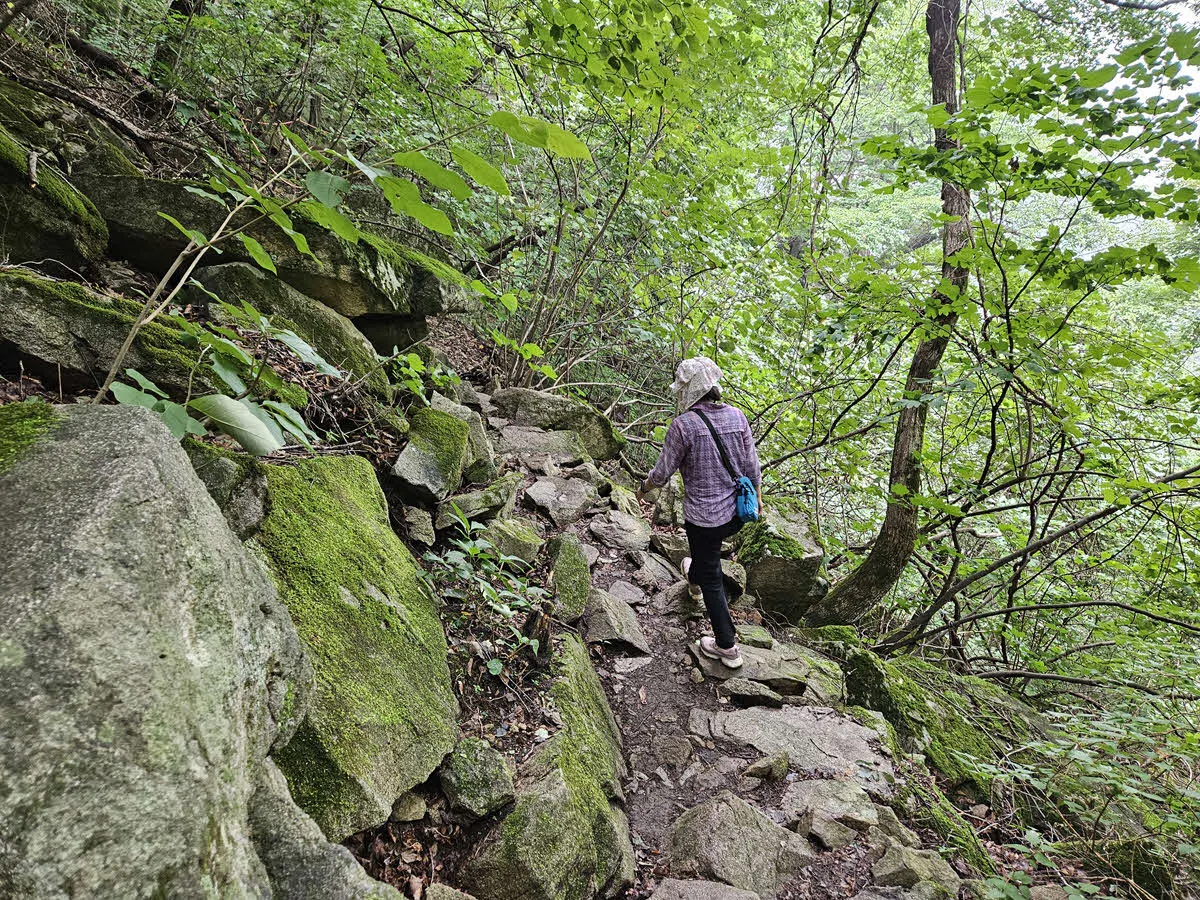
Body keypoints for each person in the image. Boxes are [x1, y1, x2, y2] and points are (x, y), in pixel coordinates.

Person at [635, 357, 761, 669]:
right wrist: (757, 499)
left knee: (712, 575)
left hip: (704, 519)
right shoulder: (737, 417)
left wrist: (643, 488)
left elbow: (662, 473)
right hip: (736, 514)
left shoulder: (683, 426)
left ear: (687, 391)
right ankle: (693, 580)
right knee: (704, 558)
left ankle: (727, 647)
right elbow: (752, 467)